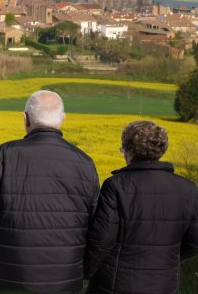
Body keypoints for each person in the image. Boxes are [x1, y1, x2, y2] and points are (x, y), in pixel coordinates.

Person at [0, 90, 99, 293]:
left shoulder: (5, 155)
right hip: (64, 282)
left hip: (9, 281)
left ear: (25, 119)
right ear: (62, 119)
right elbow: (97, 224)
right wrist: (85, 270)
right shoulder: (84, 162)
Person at [84, 120, 198, 294]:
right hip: (163, 285)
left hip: (117, 284)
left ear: (131, 151)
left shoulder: (116, 186)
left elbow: (102, 240)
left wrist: (87, 271)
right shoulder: (188, 188)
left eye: (123, 149)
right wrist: (166, 259)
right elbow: (194, 241)